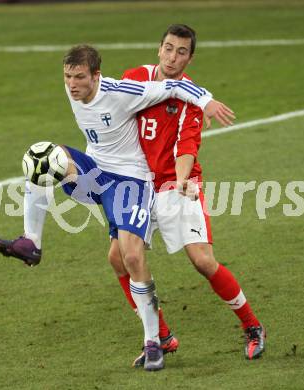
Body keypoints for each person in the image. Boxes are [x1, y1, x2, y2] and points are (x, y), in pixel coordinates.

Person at [0, 44, 232, 371]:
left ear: (96, 76)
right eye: (67, 77)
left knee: (130, 256)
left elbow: (174, 84)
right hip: (96, 174)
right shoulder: (72, 91)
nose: (72, 84)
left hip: (131, 182)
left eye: (79, 77)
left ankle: (154, 342)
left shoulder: (121, 91)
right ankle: (31, 241)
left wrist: (206, 101)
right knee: (43, 156)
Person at [107, 24, 266, 366]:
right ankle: (162, 336)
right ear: (158, 49)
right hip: (138, 184)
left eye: (181, 52)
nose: (172, 57)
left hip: (176, 184)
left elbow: (186, 145)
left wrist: (180, 179)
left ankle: (253, 327)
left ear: (190, 57)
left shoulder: (191, 96)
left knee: (203, 261)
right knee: (118, 257)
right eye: (168, 48)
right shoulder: (135, 77)